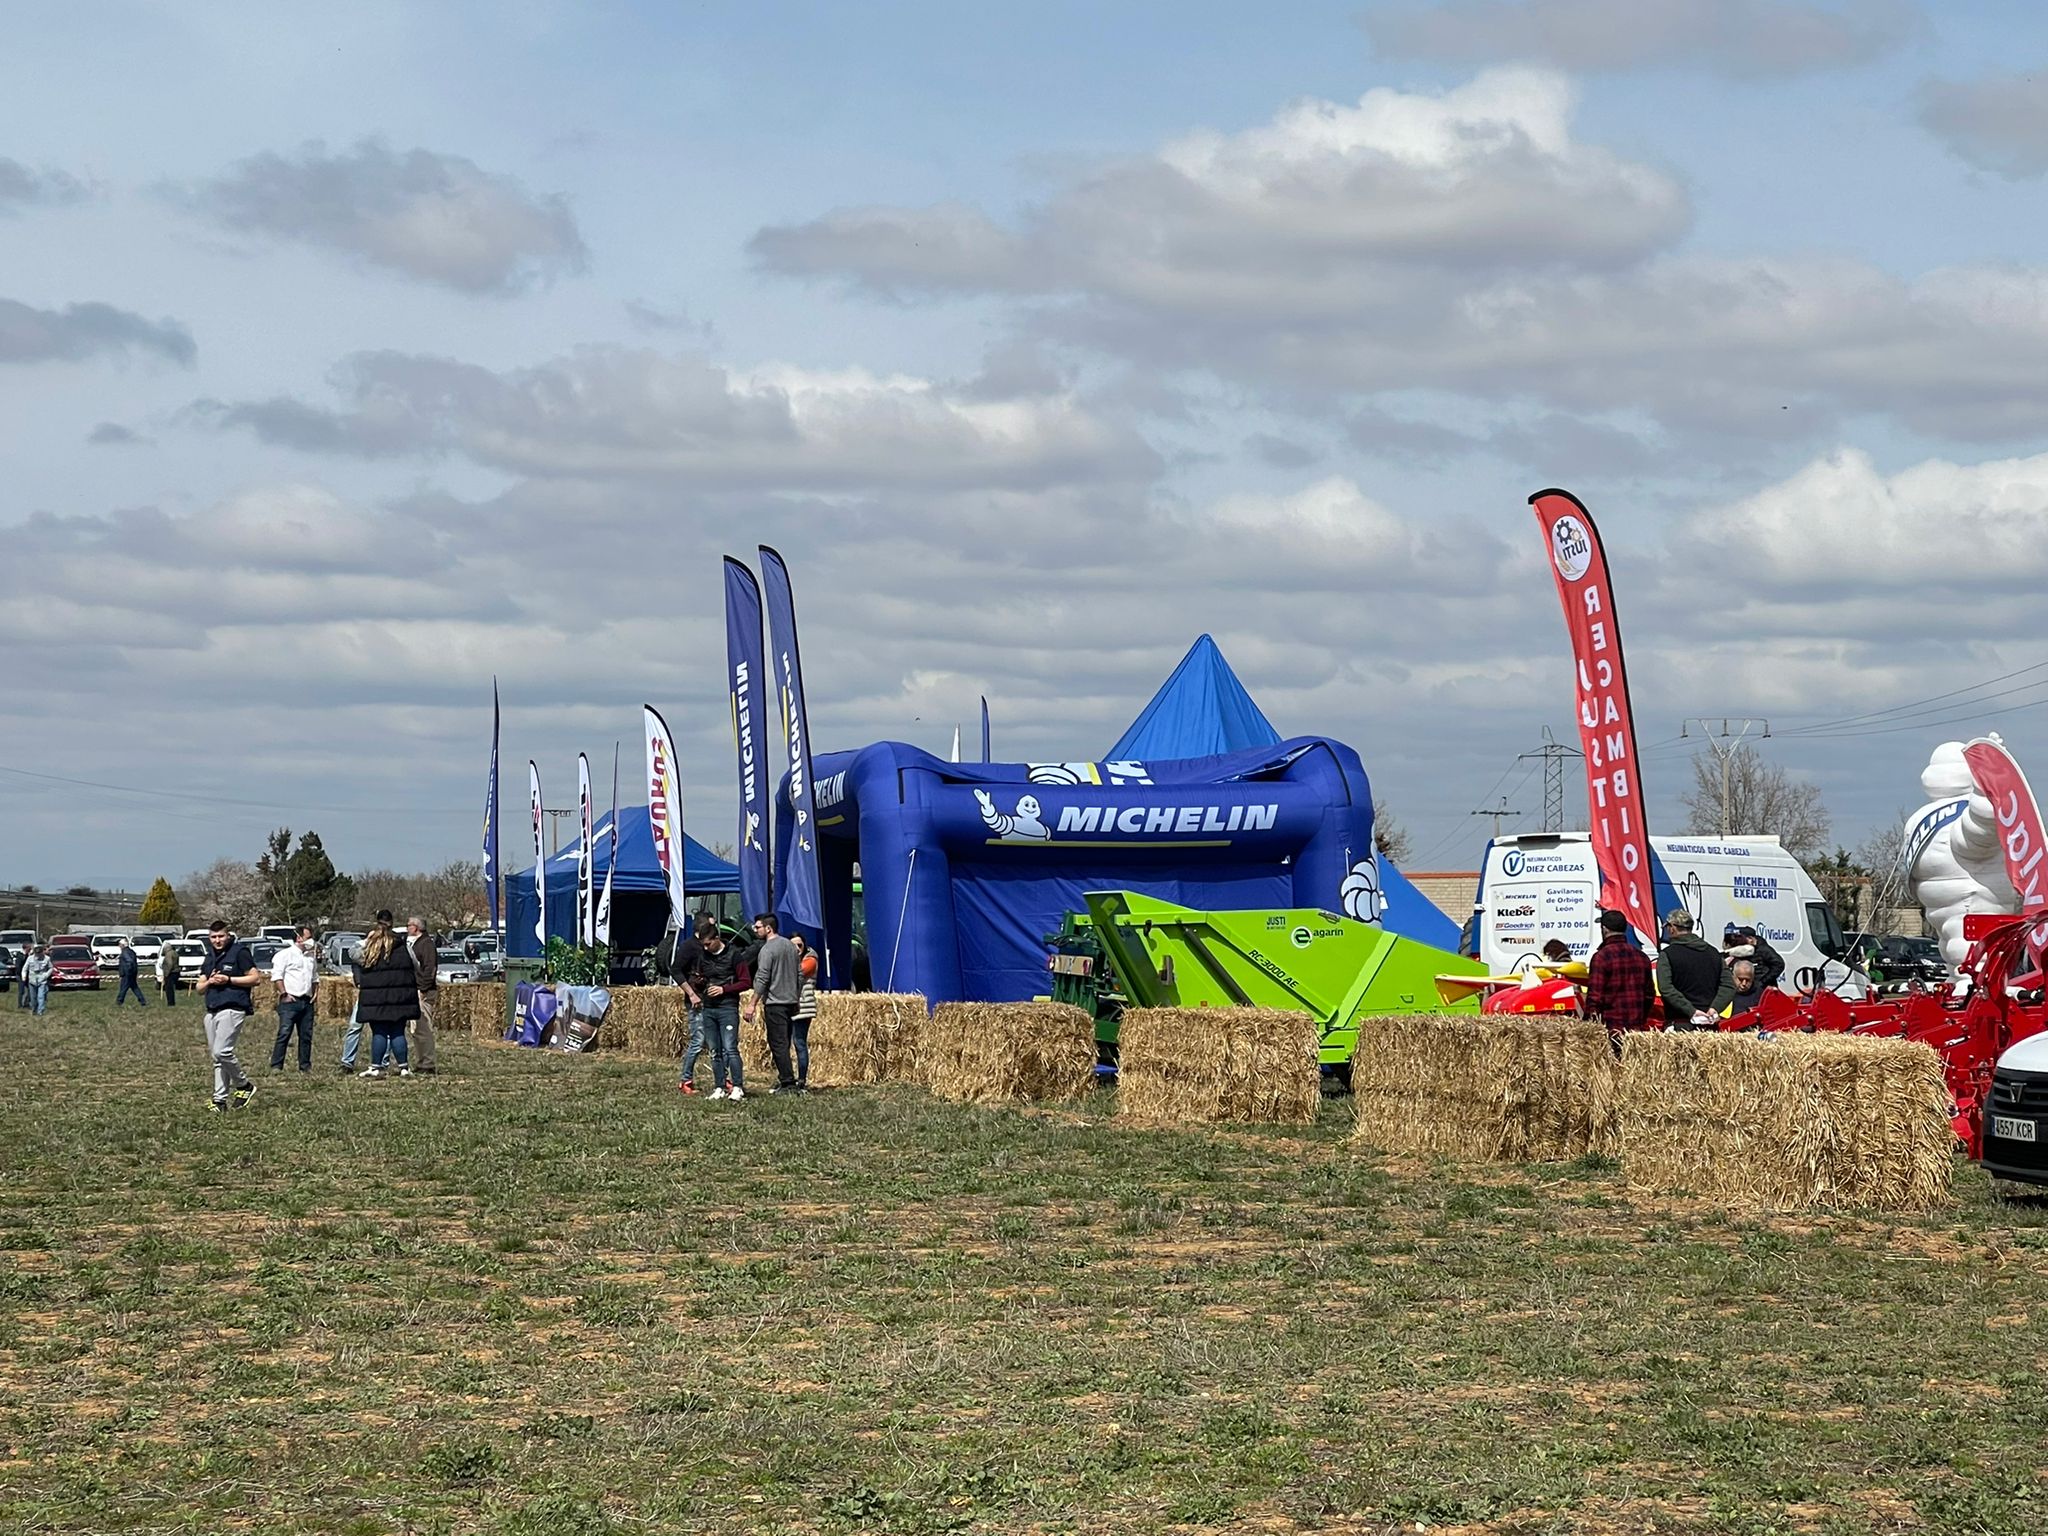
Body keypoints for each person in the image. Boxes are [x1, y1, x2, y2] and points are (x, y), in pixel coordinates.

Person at [196, 922, 261, 1112]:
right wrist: (209, 981)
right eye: (213, 937)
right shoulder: (209, 957)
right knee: (217, 1058)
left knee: (221, 1051)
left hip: (233, 1008)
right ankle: (219, 1100)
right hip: (212, 1010)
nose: (217, 940)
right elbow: (199, 988)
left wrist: (229, 979)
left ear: (228, 935)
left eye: (221, 936)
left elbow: (255, 978)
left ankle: (244, 1085)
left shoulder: (240, 952)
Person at [742, 912, 803, 1093]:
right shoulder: (791, 947)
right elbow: (799, 975)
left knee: (778, 1044)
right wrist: (796, 996)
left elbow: (762, 977)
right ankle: (785, 1078)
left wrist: (752, 1003)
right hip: (790, 1001)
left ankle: (788, 1083)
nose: (755, 930)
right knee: (785, 1042)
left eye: (758, 927)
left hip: (775, 1002)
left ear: (768, 928)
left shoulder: (768, 950)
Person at [353, 913, 419, 1079]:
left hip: (376, 998)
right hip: (400, 998)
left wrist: (366, 940)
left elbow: (353, 953)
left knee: (379, 1032)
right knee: (398, 1031)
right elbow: (416, 964)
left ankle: (376, 1067)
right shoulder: (403, 945)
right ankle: (404, 1067)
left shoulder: (370, 947)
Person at [687, 921, 746, 1101]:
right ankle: (719, 1086)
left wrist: (724, 989)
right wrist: (699, 982)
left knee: (730, 1048)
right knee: (715, 1050)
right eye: (703, 944)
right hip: (709, 1008)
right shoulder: (703, 956)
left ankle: (737, 1086)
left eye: (708, 944)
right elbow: (698, 975)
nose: (706, 947)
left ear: (717, 939)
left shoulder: (734, 955)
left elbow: (745, 981)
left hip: (727, 1007)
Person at [1655, 909, 1733, 1027]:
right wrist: (1715, 1008)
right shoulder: (1713, 953)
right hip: (1709, 1026)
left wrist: (1691, 1011)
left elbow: (1666, 989)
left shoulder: (1667, 954)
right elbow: (1729, 986)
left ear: (1672, 928)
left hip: (1679, 1025)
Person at [1583, 909, 1653, 1040]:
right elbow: (1649, 995)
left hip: (1611, 1030)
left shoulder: (1602, 957)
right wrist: (1641, 1019)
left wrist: (1588, 1026)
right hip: (1636, 1032)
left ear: (1604, 929)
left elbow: (1595, 998)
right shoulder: (1642, 957)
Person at [269, 926, 319, 1072]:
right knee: (284, 1033)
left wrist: (315, 993)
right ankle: (276, 1065)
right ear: (299, 938)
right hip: (290, 1001)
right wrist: (284, 993)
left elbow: (315, 976)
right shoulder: (285, 955)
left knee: (306, 1035)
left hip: (306, 1001)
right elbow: (277, 976)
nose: (311, 941)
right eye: (308, 937)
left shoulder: (310, 957)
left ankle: (305, 1066)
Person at [672, 918, 713, 1094]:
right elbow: (675, 970)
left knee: (716, 1043)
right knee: (698, 1040)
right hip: (696, 999)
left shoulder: (710, 946)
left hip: (712, 999)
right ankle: (686, 1079)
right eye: (711, 924)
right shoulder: (689, 946)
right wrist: (691, 994)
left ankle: (724, 1079)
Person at [405, 916, 439, 1075]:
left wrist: (423, 989)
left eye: (409, 925)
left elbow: (430, 968)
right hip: (416, 989)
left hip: (423, 991)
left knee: (424, 1027)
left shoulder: (426, 944)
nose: (407, 928)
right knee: (416, 1029)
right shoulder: (417, 943)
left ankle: (428, 1063)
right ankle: (421, 1061)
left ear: (416, 927)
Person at [789, 933, 818, 1090]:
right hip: (788, 1005)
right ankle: (787, 1079)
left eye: (800, 945)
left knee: (799, 1043)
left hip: (803, 1007)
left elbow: (795, 974)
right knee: (784, 1044)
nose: (797, 948)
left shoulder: (811, 960)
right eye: (793, 945)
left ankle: (801, 1080)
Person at [1722, 925, 1785, 990]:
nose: (1736, 941)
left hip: (1763, 990)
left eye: (1739, 938)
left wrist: (1762, 982)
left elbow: (1779, 964)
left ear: (1750, 939)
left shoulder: (1763, 950)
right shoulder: (1740, 951)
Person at [115, 938, 148, 1007]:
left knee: (124, 987)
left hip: (127, 973)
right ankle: (142, 1001)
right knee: (134, 987)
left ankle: (119, 1001)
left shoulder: (125, 952)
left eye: (120, 945)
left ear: (123, 945)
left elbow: (129, 961)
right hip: (133, 972)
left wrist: (127, 971)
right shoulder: (131, 951)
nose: (119, 946)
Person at [23, 945, 52, 1016]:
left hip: (42, 980)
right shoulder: (30, 959)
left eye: (39, 953)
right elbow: (25, 968)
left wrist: (46, 975)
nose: (38, 955)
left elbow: (51, 968)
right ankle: (34, 1009)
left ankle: (40, 1011)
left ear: (42, 952)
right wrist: (24, 976)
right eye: (37, 953)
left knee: (41, 996)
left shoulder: (47, 959)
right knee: (33, 997)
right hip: (32, 980)